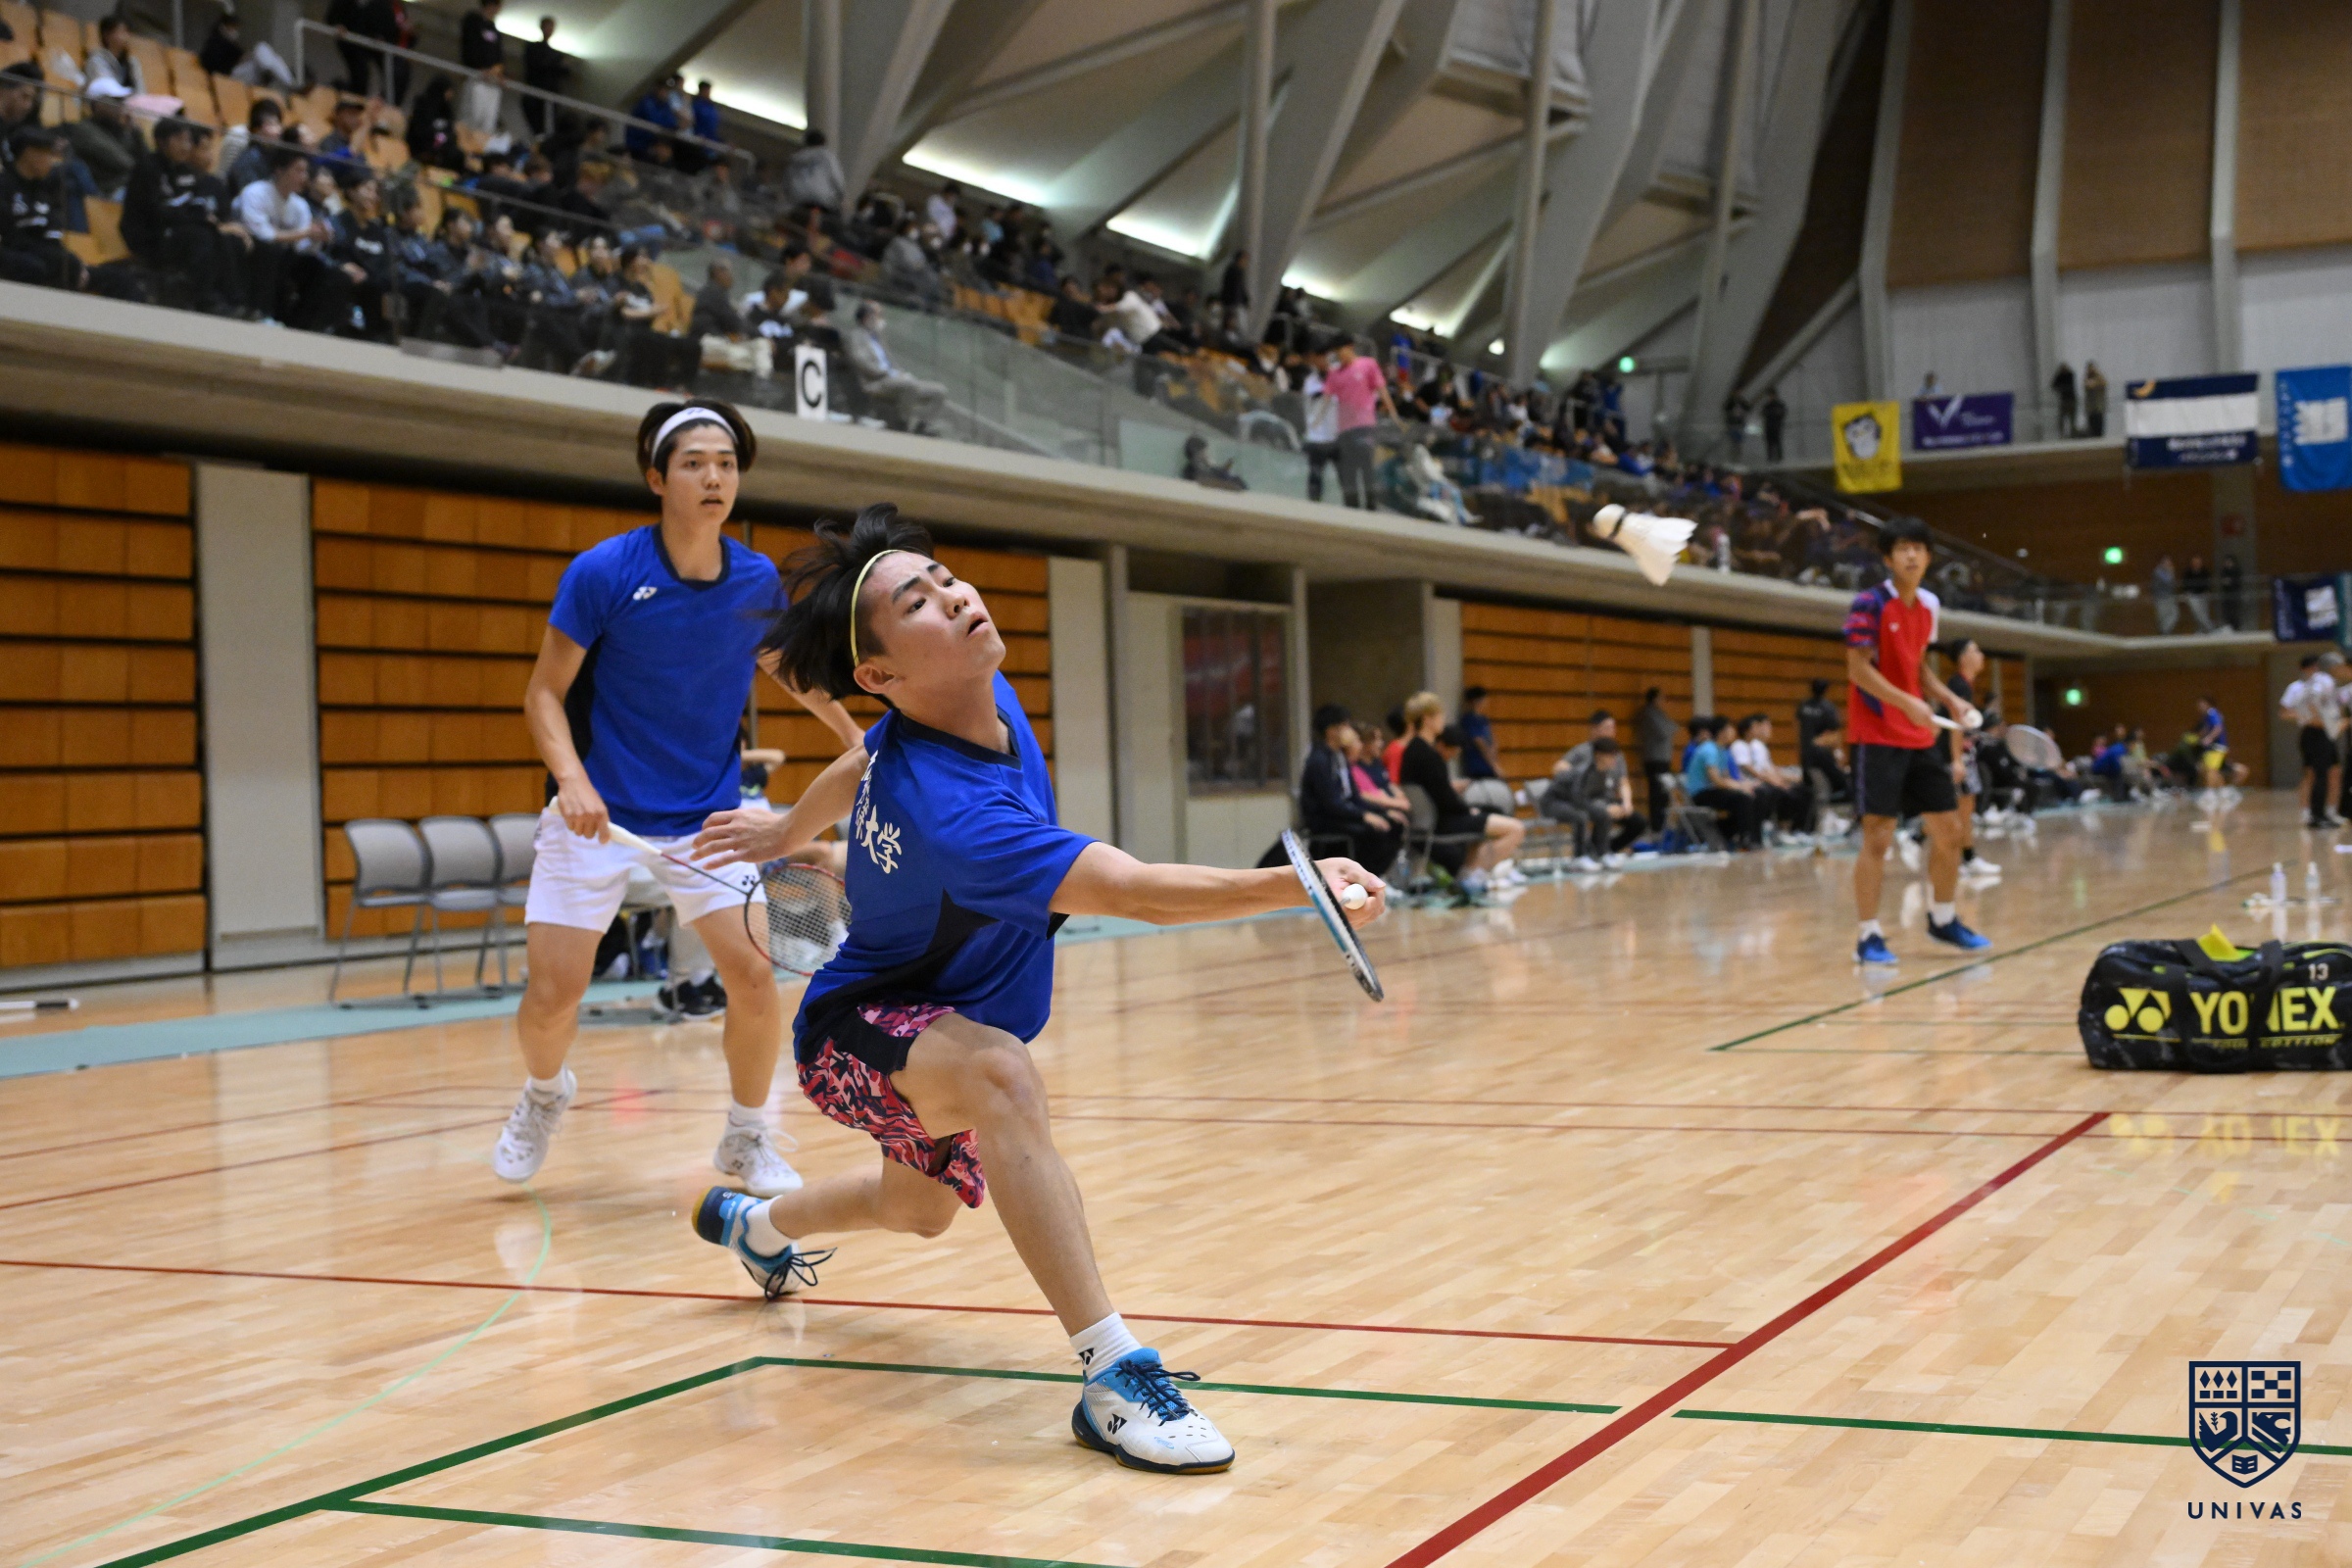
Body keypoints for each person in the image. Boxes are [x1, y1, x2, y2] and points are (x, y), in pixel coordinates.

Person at [680, 504, 1386, 1475]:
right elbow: (1133, 891)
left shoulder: (968, 690)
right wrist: (1293, 883)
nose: (955, 598)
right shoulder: (959, 817)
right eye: (917, 604)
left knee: (917, 1209)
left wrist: (784, 829)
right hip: (851, 1034)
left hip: (928, 1018)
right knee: (1002, 1076)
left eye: (944, 580)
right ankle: (1113, 1374)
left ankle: (755, 1226)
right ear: (879, 673)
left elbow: (862, 752)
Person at [490, 402, 842, 1196]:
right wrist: (572, 781)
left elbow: (788, 670)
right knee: (553, 996)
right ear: (657, 478)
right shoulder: (604, 573)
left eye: (726, 464)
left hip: (705, 822)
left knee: (754, 975)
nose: (714, 477)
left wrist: (858, 739)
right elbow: (544, 695)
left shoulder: (754, 579)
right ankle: (545, 1093)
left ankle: (746, 1136)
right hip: (596, 818)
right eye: (694, 463)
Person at [1845, 517, 1989, 964]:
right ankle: (1868, 935)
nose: (1911, 556)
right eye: (1903, 548)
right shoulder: (1869, 603)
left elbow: (1918, 666)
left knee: (1949, 831)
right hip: (1876, 733)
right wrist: (1905, 702)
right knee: (1878, 837)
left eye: (1919, 549)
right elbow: (1858, 669)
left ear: (1928, 557)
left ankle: (1943, 919)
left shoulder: (1928, 605)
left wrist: (1949, 699)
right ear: (1888, 559)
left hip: (1918, 735)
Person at [1396, 692, 1524, 897]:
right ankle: (1471, 876)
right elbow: (1443, 797)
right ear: (1427, 718)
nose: (1443, 720)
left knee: (1486, 822)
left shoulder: (1415, 750)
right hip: (1443, 822)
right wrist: (1468, 811)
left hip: (1435, 819)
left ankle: (1467, 876)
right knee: (1515, 829)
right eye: (1440, 715)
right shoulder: (1426, 753)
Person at [123, 118, 246, 317]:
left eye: (188, 140)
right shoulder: (147, 168)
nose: (185, 146)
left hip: (178, 229)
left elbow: (193, 205)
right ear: (162, 142)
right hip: (149, 235)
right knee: (201, 237)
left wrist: (198, 217)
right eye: (179, 140)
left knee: (221, 237)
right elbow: (157, 212)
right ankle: (204, 299)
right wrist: (194, 217)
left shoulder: (185, 171)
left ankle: (233, 299)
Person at [1299, 705, 1400, 874]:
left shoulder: (1339, 757)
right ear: (1332, 730)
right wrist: (1364, 816)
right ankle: (1362, 876)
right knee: (1371, 832)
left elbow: (1354, 797)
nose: (1350, 730)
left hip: (1342, 814)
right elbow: (1332, 803)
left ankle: (1377, 875)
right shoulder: (1319, 760)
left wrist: (1382, 812)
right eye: (1345, 725)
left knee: (1394, 824)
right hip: (1325, 819)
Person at [1936, 639, 1996, 882]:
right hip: (1954, 753)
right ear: (1963, 658)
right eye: (1975, 650)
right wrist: (1957, 760)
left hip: (1961, 752)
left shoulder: (1964, 685)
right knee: (1957, 809)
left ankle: (1968, 857)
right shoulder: (1958, 685)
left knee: (1965, 807)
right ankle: (1919, 838)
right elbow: (1955, 726)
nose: (1981, 655)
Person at [0, 128, 86, 292]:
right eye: (47, 154)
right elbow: (10, 237)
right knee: (34, 267)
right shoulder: (5, 186)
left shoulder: (46, 190)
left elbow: (52, 236)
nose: (52, 161)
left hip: (39, 251)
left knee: (74, 266)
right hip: (13, 250)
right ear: (30, 154)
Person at [845, 299, 948, 433]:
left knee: (939, 391)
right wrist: (887, 373)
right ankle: (902, 425)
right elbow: (861, 362)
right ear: (866, 317)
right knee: (909, 386)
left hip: (895, 380)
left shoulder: (879, 338)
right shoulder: (855, 336)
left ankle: (922, 427)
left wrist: (901, 374)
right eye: (878, 315)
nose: (881, 319)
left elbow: (891, 362)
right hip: (876, 381)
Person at [1326, 338, 1396, 510]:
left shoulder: (1368, 365)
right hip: (1344, 428)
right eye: (1336, 353)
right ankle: (1352, 508)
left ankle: (1371, 506)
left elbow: (1381, 389)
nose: (1339, 356)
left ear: (1350, 347)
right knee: (1348, 470)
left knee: (1366, 465)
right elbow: (1326, 400)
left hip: (1365, 425)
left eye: (1340, 351)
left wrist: (1393, 412)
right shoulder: (1335, 373)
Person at [2282, 652, 2345, 830]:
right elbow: (2310, 704)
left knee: (2332, 772)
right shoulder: (2318, 683)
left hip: (2324, 733)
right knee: (2317, 775)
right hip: (2316, 733)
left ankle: (2327, 812)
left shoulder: (2323, 682)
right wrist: (2316, 718)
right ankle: (2315, 815)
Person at [1684, 716, 1762, 848]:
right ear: (1721, 732)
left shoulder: (1722, 750)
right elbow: (1716, 780)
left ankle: (1752, 838)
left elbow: (1726, 777)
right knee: (1742, 799)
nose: (1733, 732)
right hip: (1700, 794)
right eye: (1730, 728)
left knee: (1755, 795)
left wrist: (1744, 785)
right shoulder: (1709, 749)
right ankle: (1745, 839)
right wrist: (1739, 787)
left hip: (1712, 791)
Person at [65, 78, 142, 201]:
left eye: (122, 100)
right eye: (116, 100)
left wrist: (136, 132)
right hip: (108, 193)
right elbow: (123, 162)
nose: (121, 105)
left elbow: (144, 159)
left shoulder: (120, 129)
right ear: (98, 104)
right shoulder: (85, 130)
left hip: (129, 186)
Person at [1453, 685, 1513, 814]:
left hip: (1488, 766)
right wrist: (1494, 765)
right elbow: (1479, 743)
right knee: (1481, 797)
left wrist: (1494, 760)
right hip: (1477, 766)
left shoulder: (1483, 719)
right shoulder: (1469, 719)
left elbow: (1492, 741)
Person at [1634, 686, 1678, 828]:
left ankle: (1662, 823)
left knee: (1663, 792)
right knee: (1657, 793)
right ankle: (1656, 824)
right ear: (1655, 698)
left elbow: (1673, 727)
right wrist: (1670, 726)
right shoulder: (1649, 713)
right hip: (1655, 759)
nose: (1663, 701)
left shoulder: (1659, 713)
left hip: (1662, 758)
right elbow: (1665, 731)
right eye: (1661, 698)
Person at [520, 16, 566, 136]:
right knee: (538, 127)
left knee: (546, 129)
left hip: (548, 96)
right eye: (548, 26)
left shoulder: (554, 54)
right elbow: (537, 66)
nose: (550, 30)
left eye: (551, 27)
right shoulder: (533, 48)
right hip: (535, 94)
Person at [782, 128, 844, 216]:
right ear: (823, 142)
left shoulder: (796, 158)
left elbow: (786, 182)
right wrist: (841, 195)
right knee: (836, 217)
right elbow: (836, 178)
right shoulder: (827, 156)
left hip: (798, 199)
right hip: (821, 199)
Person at [2195, 694, 2247, 798]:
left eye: (2201, 703)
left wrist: (2209, 738)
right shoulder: (2207, 716)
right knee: (2211, 769)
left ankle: (2210, 792)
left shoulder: (2212, 713)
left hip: (2216, 747)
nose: (2199, 706)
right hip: (2213, 748)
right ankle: (2222, 790)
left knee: (2211, 769)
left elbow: (2218, 728)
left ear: (2207, 703)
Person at [460, 0, 505, 70]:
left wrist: (497, 67)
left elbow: (497, 51)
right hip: (474, 69)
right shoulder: (472, 21)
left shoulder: (492, 27)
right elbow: (471, 45)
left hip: (490, 71)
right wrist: (479, 66)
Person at [2151, 555, 2180, 635]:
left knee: (2174, 614)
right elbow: (2167, 581)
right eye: (2167, 562)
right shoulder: (2157, 571)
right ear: (2162, 563)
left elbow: (2173, 585)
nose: (2169, 563)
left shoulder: (2168, 571)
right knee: (2162, 617)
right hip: (2161, 598)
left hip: (2170, 597)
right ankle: (2163, 633)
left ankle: (2165, 632)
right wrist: (2171, 572)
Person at [2050, 362, 2078, 439]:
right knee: (2062, 418)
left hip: (2071, 399)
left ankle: (2073, 433)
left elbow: (2068, 386)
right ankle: (2062, 434)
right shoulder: (2060, 376)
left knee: (2072, 418)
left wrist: (2061, 387)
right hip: (2064, 400)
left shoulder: (2070, 375)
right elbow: (2053, 385)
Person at [2082, 361, 2108, 438]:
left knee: (2099, 425)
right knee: (2092, 426)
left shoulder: (2099, 377)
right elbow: (2087, 386)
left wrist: (2094, 383)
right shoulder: (2087, 378)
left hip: (2098, 406)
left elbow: (2103, 383)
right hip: (2091, 407)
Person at [1761, 386, 1787, 464]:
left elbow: (1782, 413)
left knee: (1777, 443)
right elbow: (1764, 413)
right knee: (1770, 444)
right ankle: (1770, 459)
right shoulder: (1767, 405)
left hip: (1776, 426)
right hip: (1769, 426)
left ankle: (1778, 459)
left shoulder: (1779, 405)